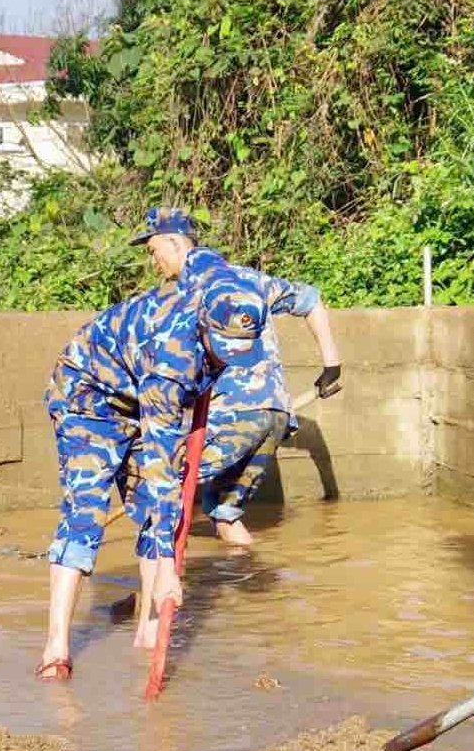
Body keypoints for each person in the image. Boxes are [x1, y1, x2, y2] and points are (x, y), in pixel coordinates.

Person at [36, 274, 273, 679]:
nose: (227, 360)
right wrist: (169, 569)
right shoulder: (172, 362)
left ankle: (147, 629)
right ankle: (56, 648)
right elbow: (163, 472)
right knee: (86, 511)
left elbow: (297, 295)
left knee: (149, 509)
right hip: (87, 398)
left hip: (139, 395)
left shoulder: (236, 302)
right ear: (204, 329)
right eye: (223, 351)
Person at [132, 207, 344, 549]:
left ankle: (153, 594)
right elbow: (311, 300)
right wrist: (331, 365)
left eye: (153, 251)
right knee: (225, 513)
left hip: (234, 415)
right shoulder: (247, 278)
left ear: (174, 243)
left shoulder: (186, 291)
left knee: (157, 490)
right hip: (275, 416)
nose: (153, 262)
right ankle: (249, 576)